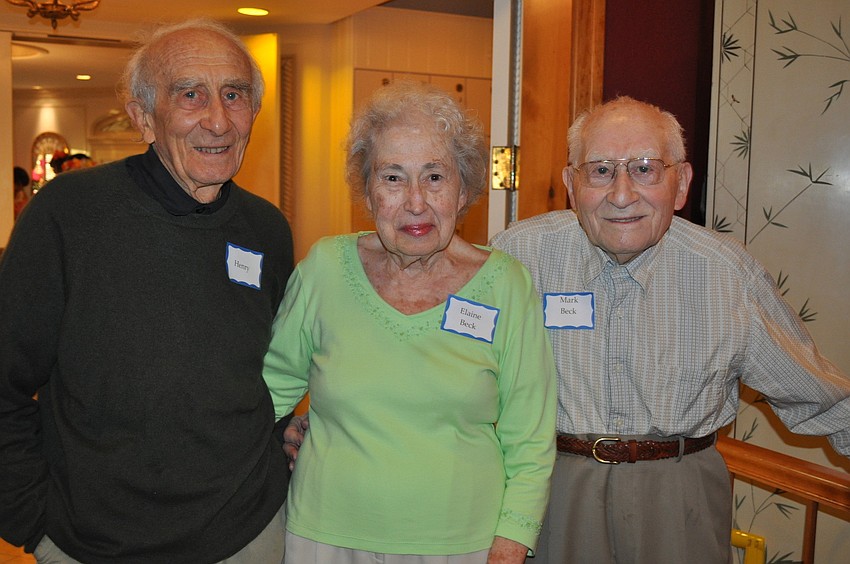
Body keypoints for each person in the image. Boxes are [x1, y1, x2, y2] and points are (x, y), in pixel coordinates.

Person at [488, 96, 850, 563]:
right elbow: (454, 369)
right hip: (549, 492)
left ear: (681, 184)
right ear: (572, 186)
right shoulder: (518, 257)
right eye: (600, 170)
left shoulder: (726, 273)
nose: (622, 194)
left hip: (682, 500)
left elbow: (821, 396)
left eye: (645, 169)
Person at [0, 19, 293, 564]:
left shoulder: (267, 229)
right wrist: (33, 523)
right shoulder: (69, 214)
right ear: (142, 117)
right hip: (95, 544)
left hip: (248, 534)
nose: (218, 119)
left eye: (234, 95)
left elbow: (273, 370)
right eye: (190, 95)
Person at [263, 81, 557, 564]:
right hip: (325, 537)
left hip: (463, 545)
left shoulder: (507, 285)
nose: (416, 202)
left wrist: (512, 542)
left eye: (435, 177)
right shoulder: (325, 269)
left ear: (464, 190)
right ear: (367, 192)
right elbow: (269, 393)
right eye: (393, 178)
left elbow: (530, 437)